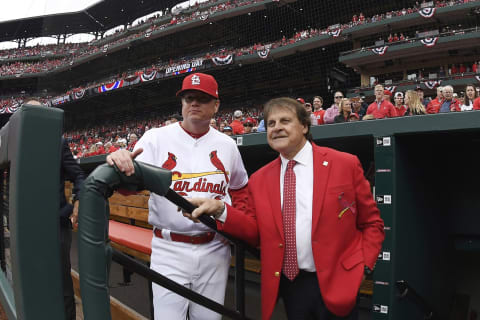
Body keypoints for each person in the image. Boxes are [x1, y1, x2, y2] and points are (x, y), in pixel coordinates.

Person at [186, 97, 385, 320]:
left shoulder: (345, 164)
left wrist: (362, 266)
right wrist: (220, 209)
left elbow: (372, 224)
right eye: (271, 123)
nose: (277, 127)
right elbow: (252, 231)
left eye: (285, 121)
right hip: (291, 286)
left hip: (339, 281)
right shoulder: (259, 179)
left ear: (305, 126)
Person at [106, 73, 249, 320]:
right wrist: (119, 164)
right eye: (188, 98)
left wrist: (237, 224)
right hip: (169, 247)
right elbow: (128, 187)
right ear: (181, 104)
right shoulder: (155, 137)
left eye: (202, 99)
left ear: (216, 105)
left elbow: (240, 188)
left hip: (214, 248)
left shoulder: (228, 145)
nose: (194, 103)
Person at [25, 99, 86, 319]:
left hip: (56, 222)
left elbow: (78, 175)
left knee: (61, 282)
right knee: (32, 279)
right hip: (27, 224)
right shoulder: (16, 143)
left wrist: (78, 200)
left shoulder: (58, 142)